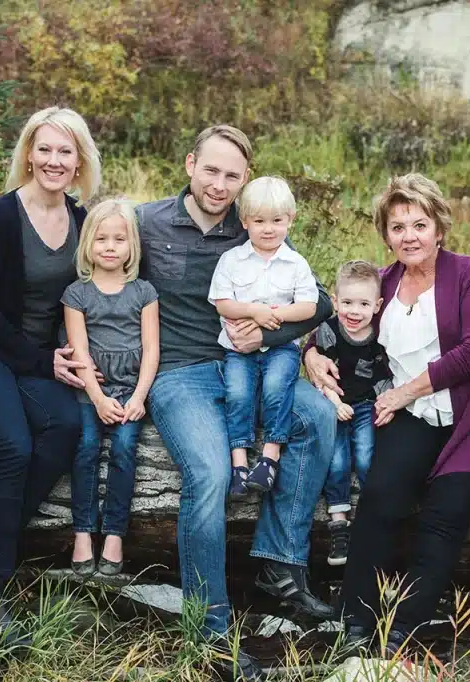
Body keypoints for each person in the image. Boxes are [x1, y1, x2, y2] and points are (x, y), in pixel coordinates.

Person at [135, 125, 335, 680]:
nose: (219, 185)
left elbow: (317, 302)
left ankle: (280, 564)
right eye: (211, 170)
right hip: (178, 373)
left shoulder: (255, 223)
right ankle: (211, 634)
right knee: (210, 472)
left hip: (246, 365)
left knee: (316, 416)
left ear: (245, 179)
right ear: (189, 164)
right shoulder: (146, 223)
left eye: (232, 175)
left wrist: (274, 341)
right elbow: (103, 281)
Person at [306, 174, 470, 654]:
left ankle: (405, 627)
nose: (409, 236)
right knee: (379, 499)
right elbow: (339, 325)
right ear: (386, 235)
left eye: (419, 224)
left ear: (439, 227)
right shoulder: (381, 285)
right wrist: (310, 356)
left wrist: (402, 393)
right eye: (398, 227)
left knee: (443, 515)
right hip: (415, 416)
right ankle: (354, 621)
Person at [0, 107, 101, 644]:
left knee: (64, 430)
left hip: (36, 359)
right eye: (45, 149)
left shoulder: (80, 221)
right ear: (28, 154)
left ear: (80, 161)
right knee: (14, 446)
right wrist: (41, 362)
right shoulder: (1, 217)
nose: (54, 161)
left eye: (65, 151)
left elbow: (83, 301)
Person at [62, 199, 159, 578]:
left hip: (131, 389)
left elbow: (152, 349)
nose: (109, 246)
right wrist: (98, 398)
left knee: (123, 448)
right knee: (86, 447)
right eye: (101, 238)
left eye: (119, 239)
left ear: (131, 246)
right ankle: (83, 532)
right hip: (92, 388)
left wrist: (138, 397)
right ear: (88, 243)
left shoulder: (144, 292)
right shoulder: (77, 294)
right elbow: (79, 351)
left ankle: (115, 533)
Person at [208, 177, 318, 498]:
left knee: (275, 389)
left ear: (290, 220)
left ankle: (269, 458)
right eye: (259, 221)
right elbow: (222, 302)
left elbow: (309, 306)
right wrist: (254, 313)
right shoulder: (232, 260)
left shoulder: (296, 264)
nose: (268, 229)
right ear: (245, 222)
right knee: (238, 393)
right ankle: (239, 464)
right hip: (238, 350)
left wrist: (278, 315)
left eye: (277, 221)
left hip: (281, 347)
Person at [308, 260, 391, 566]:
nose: (354, 311)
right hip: (334, 402)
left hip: (367, 404)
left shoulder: (380, 335)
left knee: (368, 455)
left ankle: (372, 520)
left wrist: (386, 404)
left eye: (363, 304)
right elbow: (320, 375)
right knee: (338, 460)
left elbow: (384, 377)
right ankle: (339, 523)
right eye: (347, 303)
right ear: (335, 300)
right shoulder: (329, 331)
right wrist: (334, 401)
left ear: (378, 305)